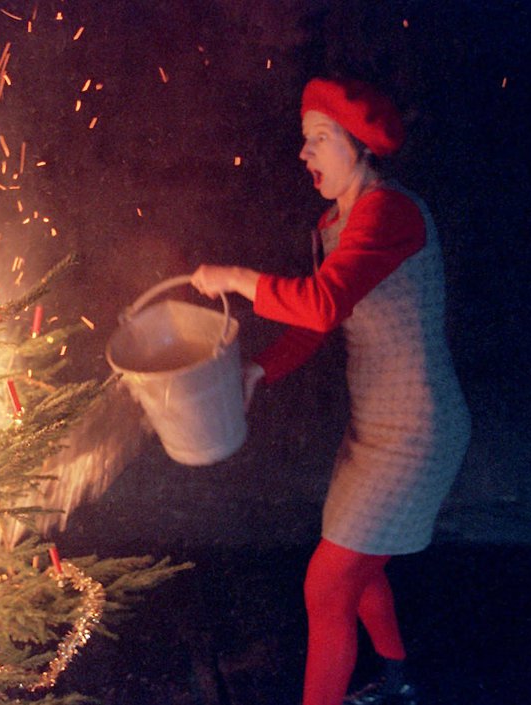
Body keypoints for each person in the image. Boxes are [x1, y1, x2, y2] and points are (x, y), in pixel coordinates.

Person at [189, 77, 471, 705]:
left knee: (330, 583)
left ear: (359, 147)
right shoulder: (333, 223)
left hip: (417, 434)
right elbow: (319, 323)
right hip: (372, 431)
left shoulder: (389, 211)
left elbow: (318, 305)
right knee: (354, 567)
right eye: (305, 140)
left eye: (318, 139)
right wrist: (260, 370)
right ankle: (399, 684)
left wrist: (235, 277)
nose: (304, 153)